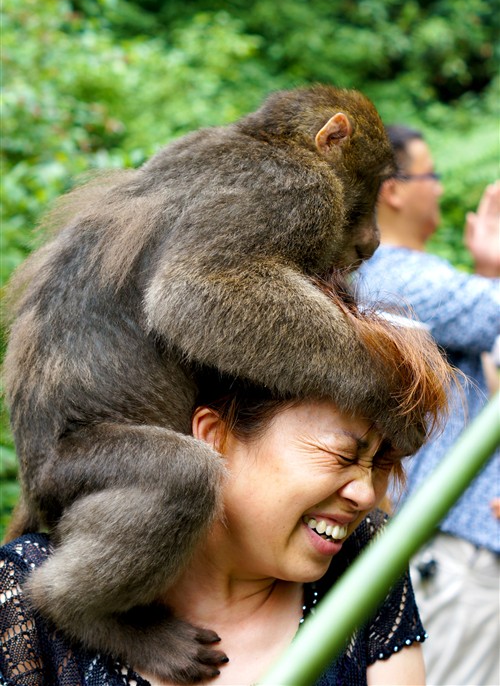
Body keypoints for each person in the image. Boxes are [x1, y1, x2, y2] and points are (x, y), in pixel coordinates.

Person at [0, 289, 453, 686]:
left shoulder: (366, 560)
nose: (366, 495)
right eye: (342, 456)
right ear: (214, 436)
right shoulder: (24, 589)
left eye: (380, 464)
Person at [356, 125, 500, 686]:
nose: (439, 188)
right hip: (455, 549)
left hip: (450, 544)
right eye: (432, 174)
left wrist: (487, 269)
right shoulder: (398, 276)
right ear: (393, 189)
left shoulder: (396, 280)